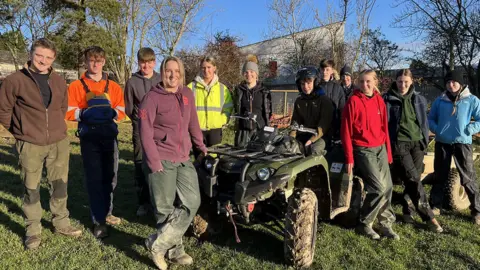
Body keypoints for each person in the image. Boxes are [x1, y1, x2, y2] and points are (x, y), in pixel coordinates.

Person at [0, 38, 82, 249]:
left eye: (48, 57)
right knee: (31, 187)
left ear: (53, 59)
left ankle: (61, 223)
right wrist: (21, 131)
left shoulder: (58, 80)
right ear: (31, 54)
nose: (43, 60)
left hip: (58, 142)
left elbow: (62, 107)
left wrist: (55, 129)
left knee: (59, 185)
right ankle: (33, 230)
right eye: (39, 55)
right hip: (30, 144)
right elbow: (4, 111)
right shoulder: (14, 81)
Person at [140, 56, 207, 270]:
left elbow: (193, 123)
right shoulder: (152, 98)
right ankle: (174, 250)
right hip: (161, 157)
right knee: (164, 208)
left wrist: (200, 147)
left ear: (181, 73)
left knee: (192, 201)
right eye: (169, 71)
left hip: (183, 157)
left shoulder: (186, 94)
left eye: (176, 71)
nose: (173, 75)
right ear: (162, 72)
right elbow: (145, 133)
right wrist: (154, 162)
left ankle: (157, 244)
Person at [66, 46, 126, 238]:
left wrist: (113, 113)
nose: (95, 63)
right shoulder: (76, 86)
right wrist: (83, 113)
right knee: (94, 177)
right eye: (92, 60)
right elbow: (68, 111)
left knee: (111, 176)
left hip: (109, 136)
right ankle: (98, 220)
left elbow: (123, 111)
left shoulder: (114, 87)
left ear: (104, 62)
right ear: (86, 62)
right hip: (89, 138)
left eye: (99, 60)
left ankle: (107, 211)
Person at [341, 69, 398, 240]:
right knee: (377, 188)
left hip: (380, 147)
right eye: (362, 82)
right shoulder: (353, 101)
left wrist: (387, 152)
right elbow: (345, 131)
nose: (365, 85)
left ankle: (386, 223)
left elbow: (384, 129)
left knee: (388, 187)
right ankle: (365, 223)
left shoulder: (380, 101)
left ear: (375, 82)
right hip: (363, 149)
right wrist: (349, 157)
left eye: (368, 81)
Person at [383, 69, 443, 233]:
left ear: (411, 82)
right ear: (395, 82)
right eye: (400, 81)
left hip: (417, 144)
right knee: (413, 179)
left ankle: (407, 211)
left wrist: (424, 140)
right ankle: (429, 217)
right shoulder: (388, 100)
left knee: (414, 178)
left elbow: (423, 121)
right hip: (399, 144)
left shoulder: (419, 99)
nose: (402, 85)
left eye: (406, 82)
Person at [428, 69, 480, 225]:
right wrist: (436, 129)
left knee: (468, 177)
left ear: (460, 83)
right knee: (439, 175)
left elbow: (479, 120)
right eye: (448, 82)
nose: (451, 85)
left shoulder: (472, 100)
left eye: (454, 82)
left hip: (462, 143)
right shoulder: (440, 100)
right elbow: (431, 118)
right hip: (442, 142)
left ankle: (477, 210)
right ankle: (436, 205)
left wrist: (469, 130)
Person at [124, 47, 161, 217]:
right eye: (142, 62)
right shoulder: (132, 82)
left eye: (149, 62)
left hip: (159, 129)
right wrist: (139, 121)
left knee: (159, 163)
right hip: (140, 128)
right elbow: (129, 107)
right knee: (140, 164)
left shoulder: (161, 80)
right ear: (138, 63)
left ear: (154, 62)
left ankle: (159, 200)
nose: (146, 65)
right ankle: (143, 202)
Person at [187, 56, 233, 149]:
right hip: (197, 130)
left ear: (214, 68)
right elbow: (185, 109)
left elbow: (228, 107)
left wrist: (222, 120)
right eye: (203, 67)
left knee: (214, 159)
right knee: (199, 160)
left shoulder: (222, 88)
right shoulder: (190, 87)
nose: (206, 70)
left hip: (215, 130)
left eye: (209, 67)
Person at [290, 66, 333, 155]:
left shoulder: (324, 101)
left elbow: (323, 126)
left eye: (309, 83)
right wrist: (291, 139)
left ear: (315, 83)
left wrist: (311, 140)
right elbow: (295, 122)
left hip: (321, 136)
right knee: (288, 148)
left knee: (314, 151)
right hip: (303, 135)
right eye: (302, 84)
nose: (305, 87)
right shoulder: (299, 101)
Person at [234, 56, 272, 147]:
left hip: (259, 131)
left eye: (252, 72)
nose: (249, 74)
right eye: (246, 72)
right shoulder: (239, 91)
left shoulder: (264, 91)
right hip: (243, 132)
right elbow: (236, 110)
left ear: (256, 74)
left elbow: (268, 113)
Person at [318, 59, 345, 140]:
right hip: (318, 128)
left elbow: (342, 108)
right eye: (323, 69)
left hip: (334, 128)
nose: (324, 72)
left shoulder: (338, 88)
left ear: (332, 71)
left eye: (327, 69)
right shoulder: (315, 87)